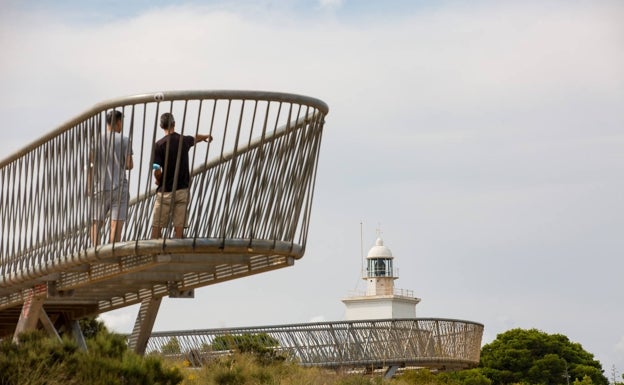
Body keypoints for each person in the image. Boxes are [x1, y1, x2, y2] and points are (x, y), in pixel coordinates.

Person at [151, 112, 212, 239]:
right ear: (174, 124)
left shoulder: (159, 145)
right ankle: (176, 254)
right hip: (182, 190)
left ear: (161, 126)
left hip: (165, 192)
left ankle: (154, 255)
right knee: (179, 229)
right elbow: (195, 138)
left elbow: (156, 169)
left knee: (156, 228)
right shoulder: (183, 140)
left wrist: (159, 180)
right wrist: (206, 136)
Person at [89, 109, 134, 246]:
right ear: (118, 122)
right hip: (119, 188)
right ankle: (112, 255)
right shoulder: (125, 140)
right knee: (115, 224)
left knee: (96, 222)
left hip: (99, 187)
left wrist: (89, 186)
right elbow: (129, 165)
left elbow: (91, 164)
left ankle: (96, 253)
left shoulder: (95, 140)